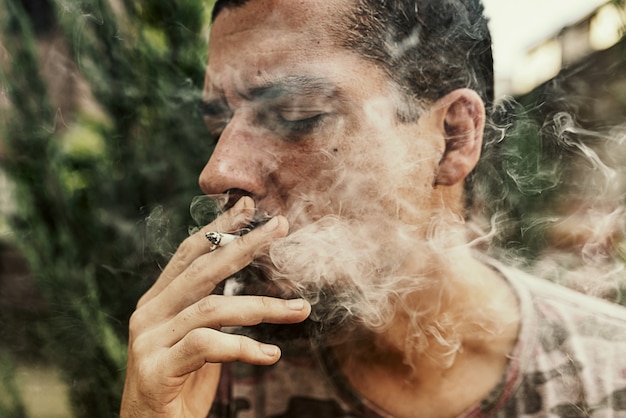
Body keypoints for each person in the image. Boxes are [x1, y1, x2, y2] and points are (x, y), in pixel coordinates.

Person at [120, 0, 626, 417]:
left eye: (298, 115)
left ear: (452, 137)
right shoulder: (206, 371)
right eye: (219, 126)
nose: (218, 172)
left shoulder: (608, 378)